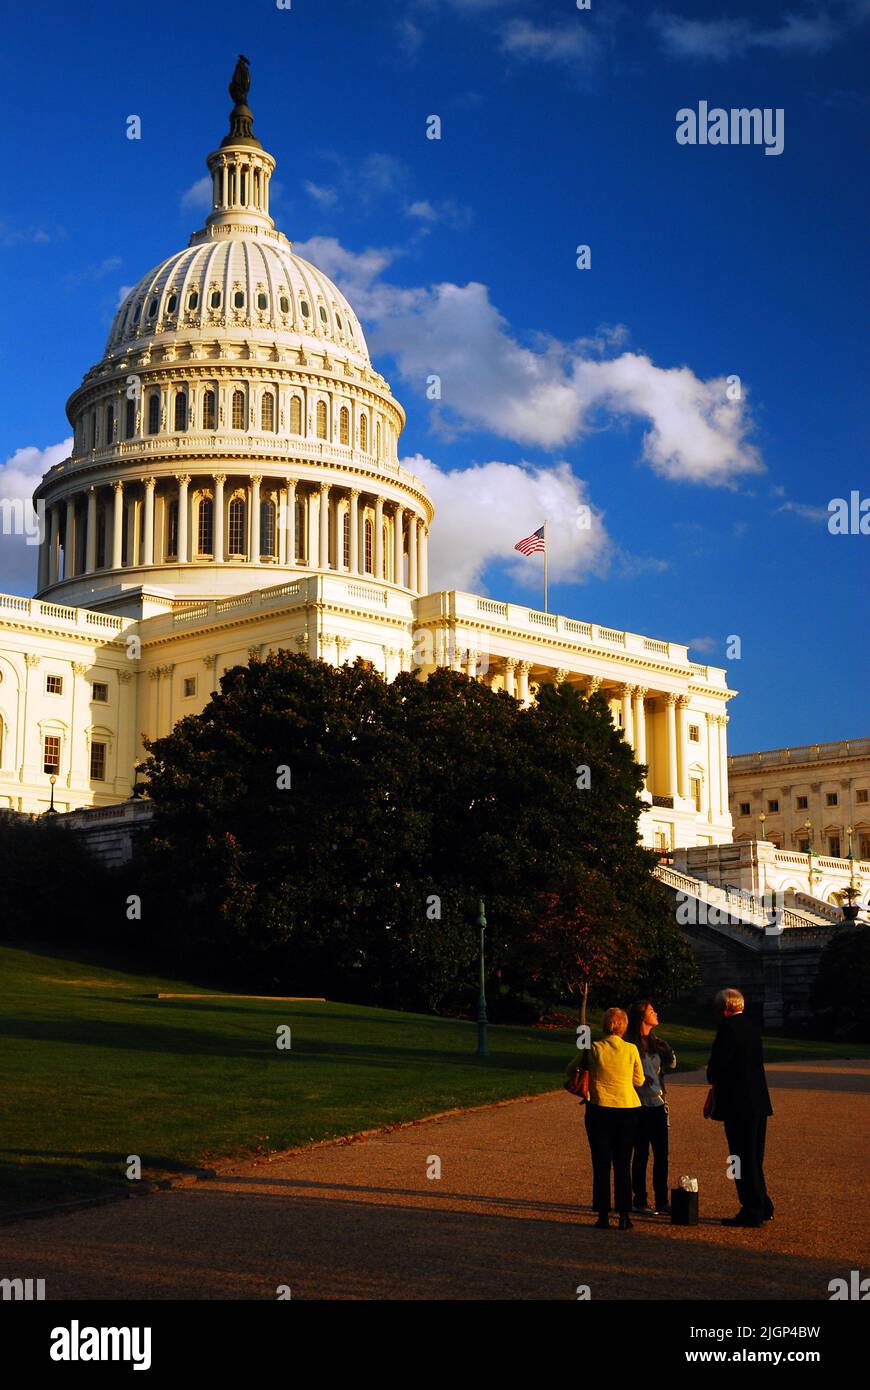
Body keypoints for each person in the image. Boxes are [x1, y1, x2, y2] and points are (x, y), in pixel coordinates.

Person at [568, 1007, 644, 1230]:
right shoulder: (631, 1049)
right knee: (623, 1163)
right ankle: (624, 1215)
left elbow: (570, 1069)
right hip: (627, 1108)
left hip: (599, 1108)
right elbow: (638, 1080)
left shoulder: (593, 1048)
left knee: (601, 1163)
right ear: (624, 1026)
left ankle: (602, 1213)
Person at [706, 987, 774, 1228]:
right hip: (757, 1101)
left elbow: (717, 1067)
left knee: (740, 1157)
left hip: (737, 1103)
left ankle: (751, 1208)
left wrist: (712, 1076)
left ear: (725, 1009)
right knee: (754, 1156)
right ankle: (762, 1202)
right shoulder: (752, 1027)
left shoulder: (727, 1030)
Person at [625, 1000, 676, 1216]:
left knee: (662, 1154)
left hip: (658, 1104)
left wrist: (667, 1052)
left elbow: (673, 1063)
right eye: (651, 1011)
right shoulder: (629, 1044)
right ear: (641, 1017)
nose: (656, 1013)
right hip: (638, 1105)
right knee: (641, 1154)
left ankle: (662, 1200)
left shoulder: (659, 1044)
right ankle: (640, 1199)